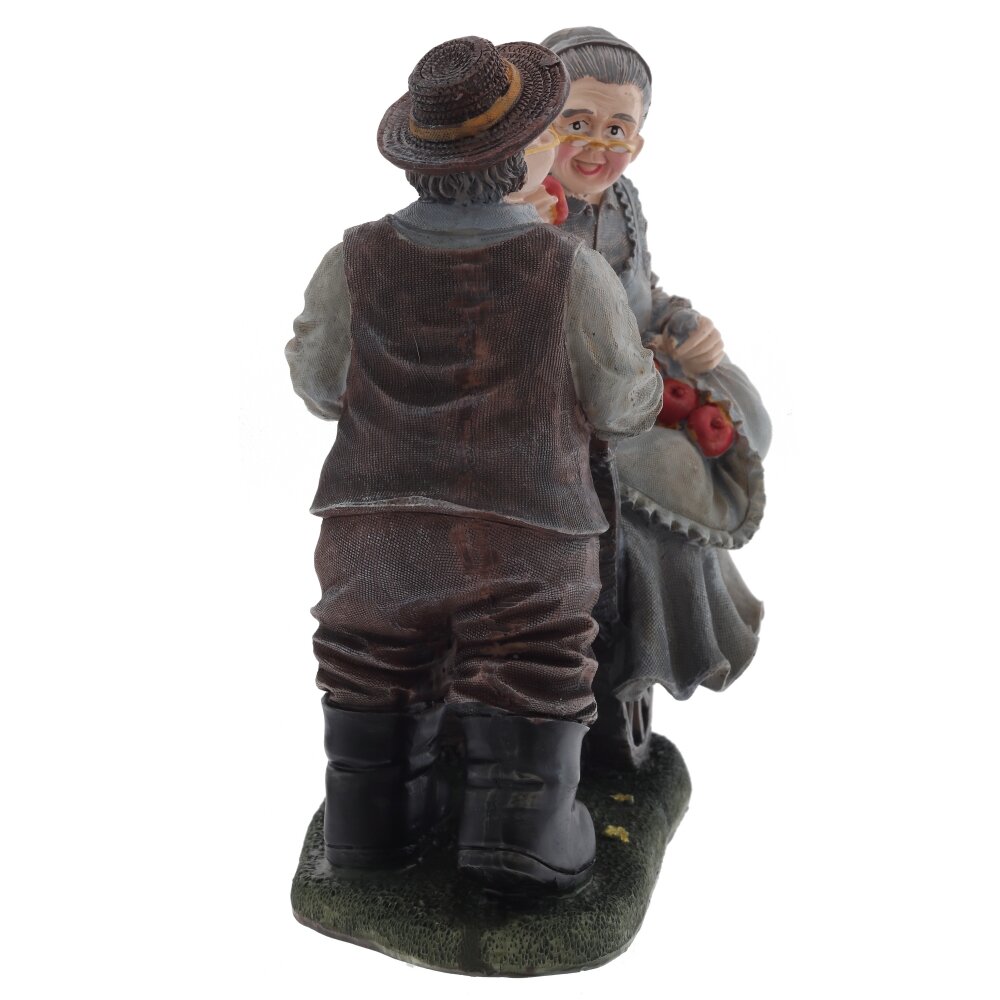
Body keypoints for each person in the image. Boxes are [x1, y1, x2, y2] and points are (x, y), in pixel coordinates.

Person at [286, 36, 661, 891]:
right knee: (529, 664)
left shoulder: (352, 258)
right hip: (525, 536)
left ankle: (369, 830)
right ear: (517, 159)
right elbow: (623, 406)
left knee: (369, 663)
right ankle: (522, 839)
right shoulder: (570, 272)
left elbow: (317, 383)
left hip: (373, 532)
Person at [539, 27, 773, 765]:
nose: (596, 146)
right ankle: (637, 658)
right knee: (670, 468)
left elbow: (643, 291)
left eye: (617, 130)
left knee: (745, 412)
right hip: (562, 405)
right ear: (537, 125)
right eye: (577, 123)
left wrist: (680, 324)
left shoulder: (622, 201)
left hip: (639, 375)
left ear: (637, 141)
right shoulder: (523, 211)